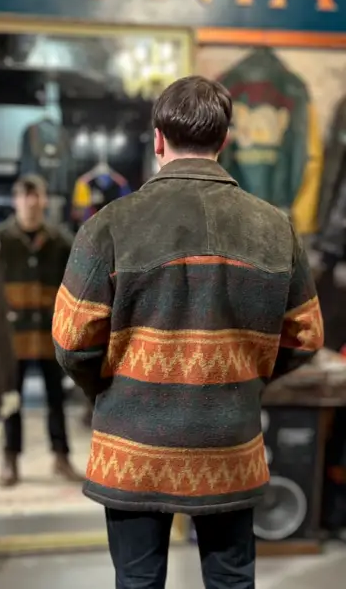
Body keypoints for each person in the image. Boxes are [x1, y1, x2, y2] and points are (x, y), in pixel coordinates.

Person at [52, 75, 324, 589]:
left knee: (137, 581)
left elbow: (71, 341)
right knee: (231, 581)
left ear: (158, 140)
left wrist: (110, 388)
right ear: (225, 140)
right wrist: (245, 378)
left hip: (132, 448)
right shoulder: (274, 228)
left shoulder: (108, 226)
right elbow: (306, 334)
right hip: (229, 444)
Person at [0, 174, 83, 487]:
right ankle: (10, 458)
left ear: (44, 200)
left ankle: (61, 456)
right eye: (25, 195)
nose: (31, 202)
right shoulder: (0, 240)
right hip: (13, 333)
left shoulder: (60, 241)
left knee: (56, 399)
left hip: (50, 332)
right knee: (12, 400)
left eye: (36, 195)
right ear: (15, 200)